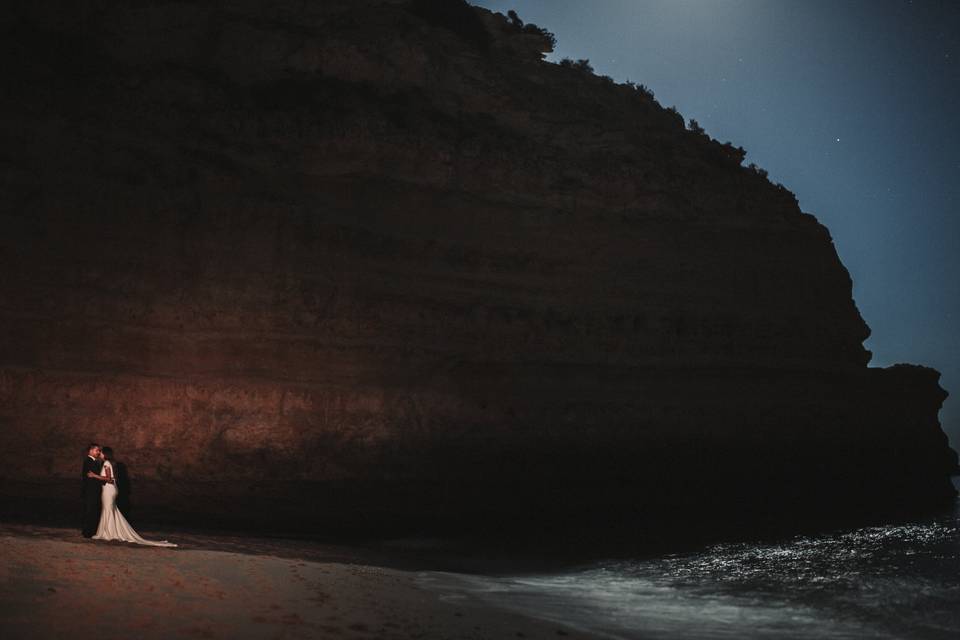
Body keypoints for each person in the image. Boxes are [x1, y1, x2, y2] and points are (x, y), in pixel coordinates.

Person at [92, 446, 177, 547]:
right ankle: (109, 532)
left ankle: (108, 533)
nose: (99, 454)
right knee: (111, 510)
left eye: (101, 452)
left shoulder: (106, 463)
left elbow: (109, 479)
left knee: (108, 510)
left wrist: (95, 476)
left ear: (105, 454)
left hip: (109, 490)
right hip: (112, 489)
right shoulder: (111, 463)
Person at [82, 443, 110, 538]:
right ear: (90, 450)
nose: (98, 452)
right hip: (91, 491)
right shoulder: (88, 461)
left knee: (93, 510)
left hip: (95, 490)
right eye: (96, 450)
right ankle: (88, 532)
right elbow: (89, 477)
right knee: (90, 510)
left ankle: (91, 530)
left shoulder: (95, 461)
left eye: (99, 451)